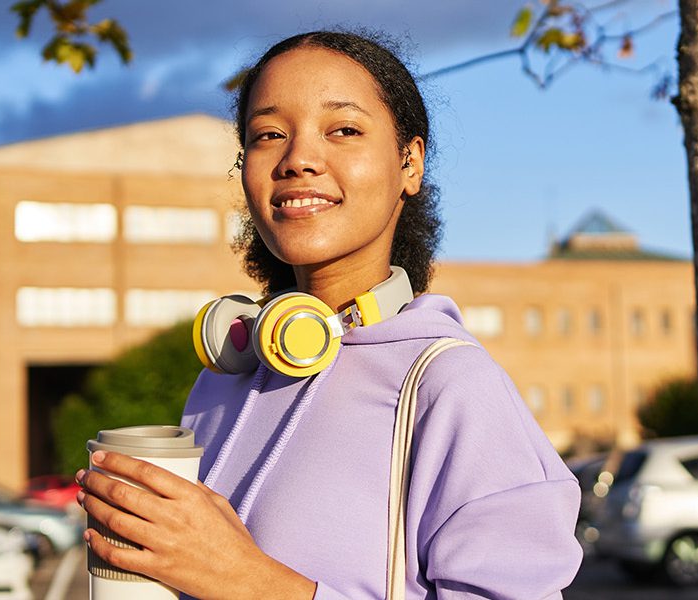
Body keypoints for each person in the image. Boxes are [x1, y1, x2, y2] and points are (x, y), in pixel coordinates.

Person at [76, 30, 582, 599]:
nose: (298, 160)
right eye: (269, 135)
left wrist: (251, 583)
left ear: (409, 163)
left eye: (343, 130)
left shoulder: (451, 384)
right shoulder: (224, 378)